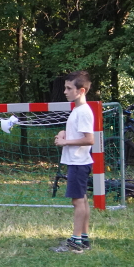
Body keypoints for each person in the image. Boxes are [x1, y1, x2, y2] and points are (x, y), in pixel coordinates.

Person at [52, 71, 95, 254]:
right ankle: (83, 239)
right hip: (78, 162)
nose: (65, 91)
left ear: (81, 91)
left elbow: (89, 139)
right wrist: (64, 134)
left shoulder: (83, 111)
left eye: (69, 88)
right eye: (65, 87)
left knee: (78, 202)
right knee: (82, 200)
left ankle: (75, 241)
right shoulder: (77, 110)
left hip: (78, 162)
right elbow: (77, 133)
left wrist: (66, 142)